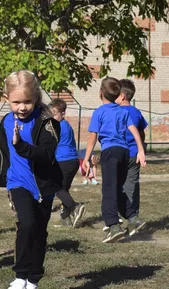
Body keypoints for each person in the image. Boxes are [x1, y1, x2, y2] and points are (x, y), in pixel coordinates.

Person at [0, 70, 62, 289]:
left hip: (43, 187)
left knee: (39, 233)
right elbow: (0, 149)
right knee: (26, 224)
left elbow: (46, 155)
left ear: (36, 98)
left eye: (27, 101)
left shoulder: (47, 123)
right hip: (18, 183)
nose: (22, 107)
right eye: (16, 102)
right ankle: (19, 277)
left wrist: (22, 147)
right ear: (5, 98)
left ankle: (33, 281)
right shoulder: (7, 122)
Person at [82, 77, 146, 243]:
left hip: (110, 152)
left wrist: (86, 158)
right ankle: (132, 218)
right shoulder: (123, 111)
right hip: (125, 152)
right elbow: (134, 131)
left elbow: (92, 137)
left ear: (100, 93)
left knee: (109, 189)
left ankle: (113, 226)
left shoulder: (100, 112)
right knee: (120, 188)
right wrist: (140, 150)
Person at [115, 79, 148, 236]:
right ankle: (133, 218)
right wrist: (143, 149)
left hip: (119, 154)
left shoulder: (114, 112)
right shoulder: (136, 112)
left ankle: (120, 217)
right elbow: (141, 133)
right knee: (132, 185)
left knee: (115, 185)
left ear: (121, 95)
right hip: (135, 154)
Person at [49, 99, 86, 228]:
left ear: (63, 113)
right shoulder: (66, 125)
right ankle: (66, 218)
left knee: (55, 187)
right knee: (64, 190)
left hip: (63, 161)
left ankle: (75, 207)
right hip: (73, 161)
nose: (51, 117)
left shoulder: (57, 127)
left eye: (54, 114)